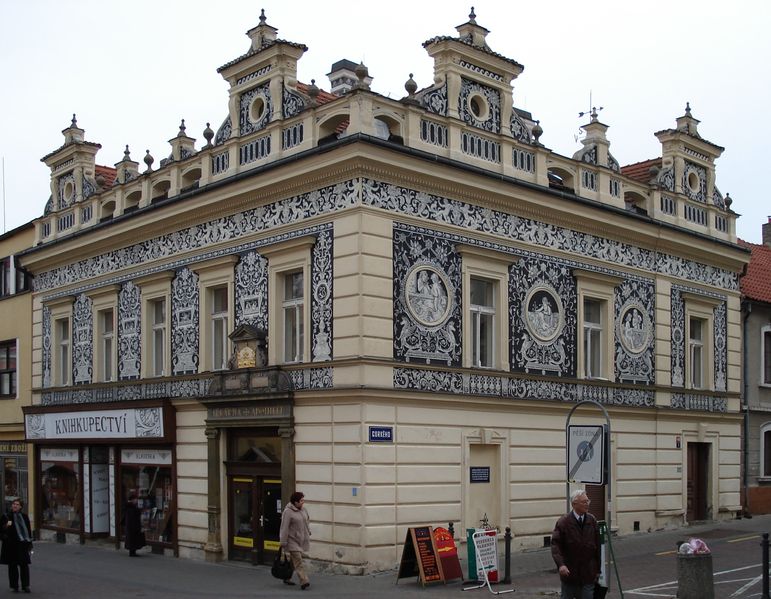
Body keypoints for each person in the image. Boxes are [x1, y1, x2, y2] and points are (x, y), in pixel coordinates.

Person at [551, 490, 601, 599]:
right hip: (570, 574)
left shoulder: (592, 520)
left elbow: (597, 547)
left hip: (588, 574)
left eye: (588, 501)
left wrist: (598, 570)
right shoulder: (564, 522)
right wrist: (561, 565)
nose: (587, 504)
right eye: (584, 502)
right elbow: (555, 545)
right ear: (574, 504)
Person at [279, 491, 311, 590]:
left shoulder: (303, 509)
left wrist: (308, 531)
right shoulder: (288, 512)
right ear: (295, 502)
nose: (303, 502)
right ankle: (304, 581)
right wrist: (283, 541)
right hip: (291, 540)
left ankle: (287, 577)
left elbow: (307, 521)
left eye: (303, 500)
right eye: (301, 500)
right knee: (298, 560)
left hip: (300, 539)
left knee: (293, 561)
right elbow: (284, 527)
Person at [0, 498, 33, 593]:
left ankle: (25, 585)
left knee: (24, 565)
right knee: (12, 566)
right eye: (14, 504)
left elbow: (28, 530)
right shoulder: (6, 516)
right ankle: (14, 586)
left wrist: (29, 543)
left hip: (22, 544)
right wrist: (4, 534)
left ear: (20, 507)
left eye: (17, 504)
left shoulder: (24, 517)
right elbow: (1, 530)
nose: (15, 506)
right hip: (11, 545)